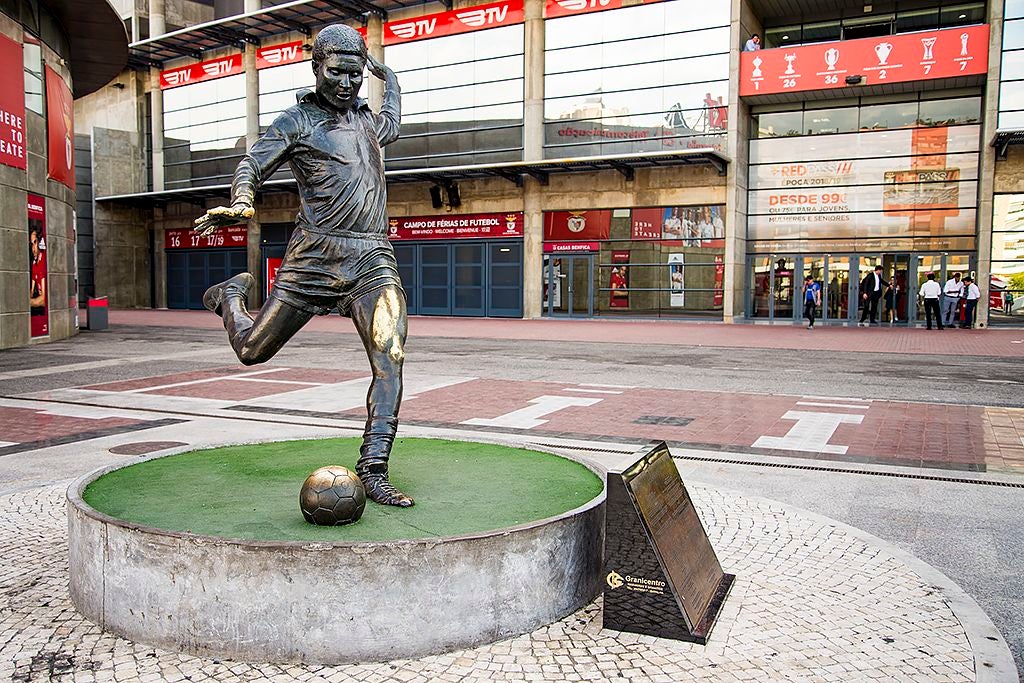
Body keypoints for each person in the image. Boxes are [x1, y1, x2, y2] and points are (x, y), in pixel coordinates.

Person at [192, 25, 414, 507]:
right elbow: (253, 161)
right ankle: (230, 298)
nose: (347, 84)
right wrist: (243, 200)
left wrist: (387, 73)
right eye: (337, 73)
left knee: (390, 358)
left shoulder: (370, 123)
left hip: (373, 258)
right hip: (314, 257)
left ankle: (373, 469)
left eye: (356, 75)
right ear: (316, 69)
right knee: (252, 352)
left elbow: (394, 109)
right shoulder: (297, 121)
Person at [29, 226, 46, 315]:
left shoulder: (43, 260)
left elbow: (44, 299)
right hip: (38, 300)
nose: (33, 248)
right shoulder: (34, 262)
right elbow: (31, 290)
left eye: (35, 242)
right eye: (31, 244)